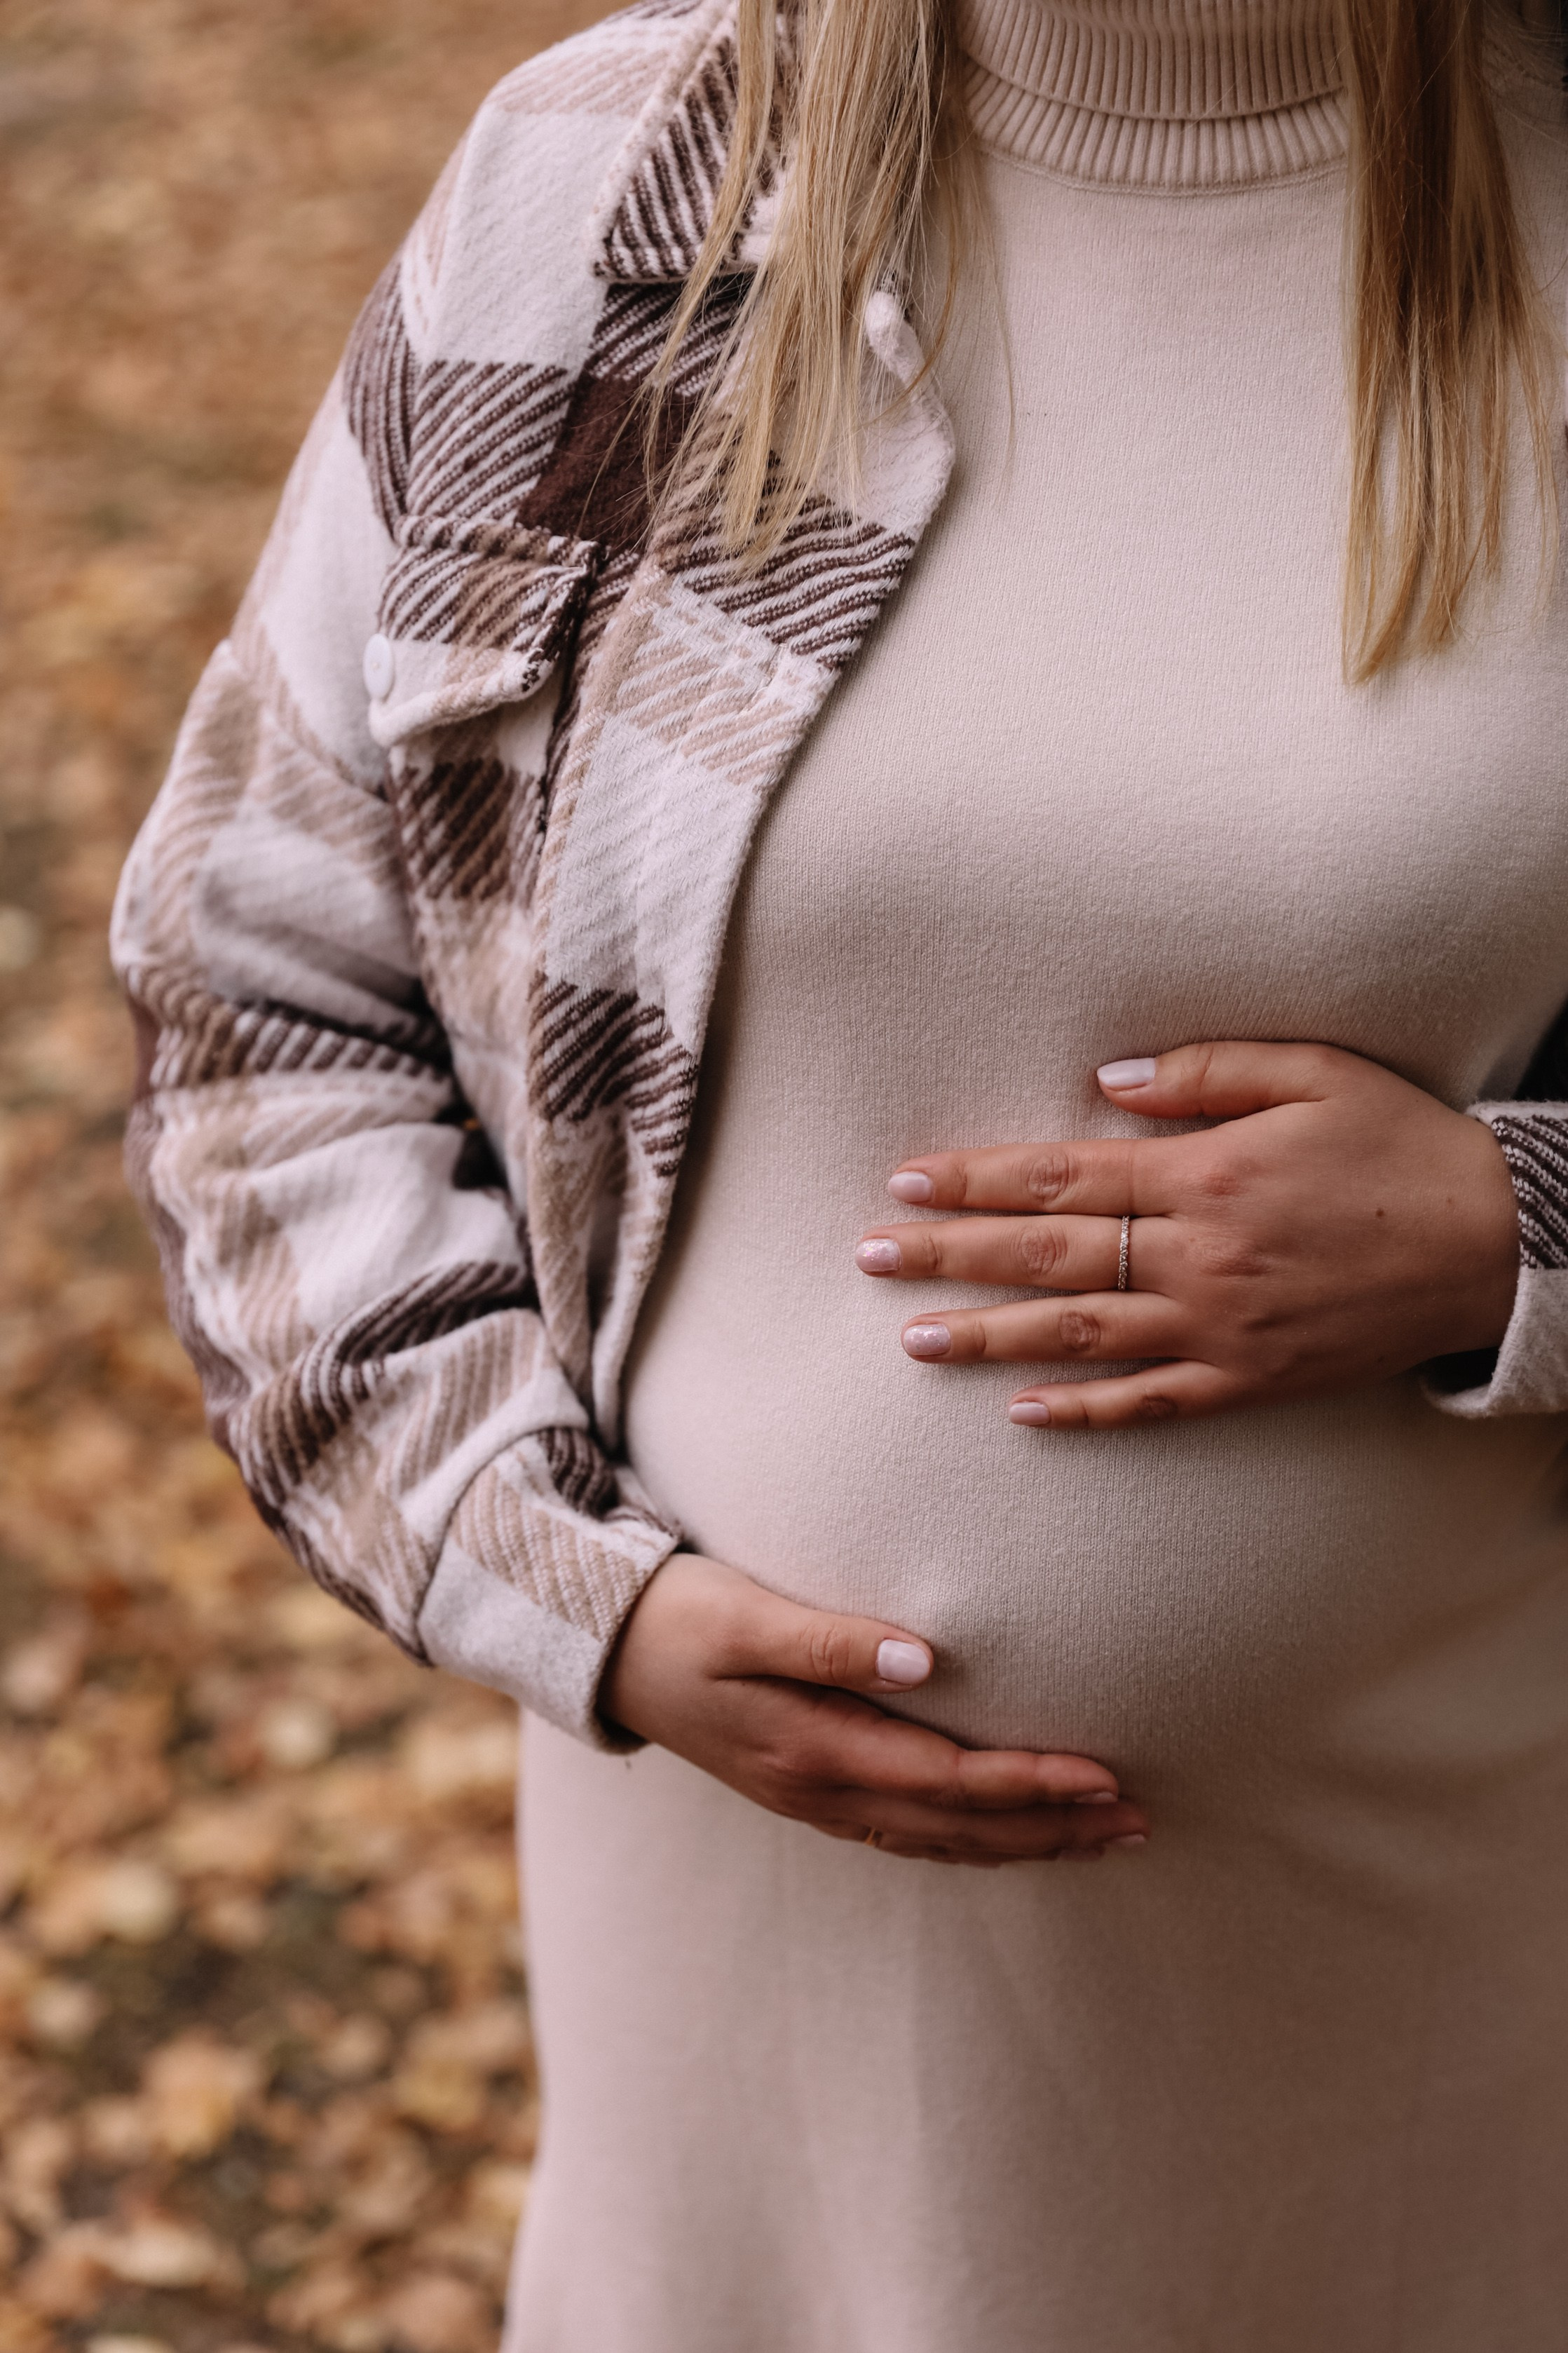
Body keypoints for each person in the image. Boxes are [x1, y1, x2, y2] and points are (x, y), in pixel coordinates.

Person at [112, 0, 1568, 2344]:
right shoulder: (609, 190)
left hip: (1436, 1945)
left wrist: (1513, 1235)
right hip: (721, 1940)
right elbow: (256, 1004)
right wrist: (570, 1596)